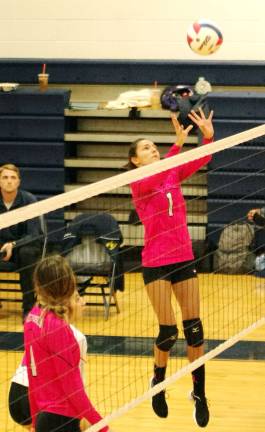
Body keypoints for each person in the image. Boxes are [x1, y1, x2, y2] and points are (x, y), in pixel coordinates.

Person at [126, 108, 214, 428]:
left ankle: (199, 394)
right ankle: (158, 384)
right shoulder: (137, 179)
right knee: (168, 330)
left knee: (195, 329)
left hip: (183, 257)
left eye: (154, 145)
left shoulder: (171, 171)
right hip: (155, 263)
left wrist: (206, 137)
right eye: (145, 148)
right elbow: (155, 177)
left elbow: (203, 158)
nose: (153, 149)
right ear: (135, 160)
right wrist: (177, 146)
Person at [23, 255, 109, 432]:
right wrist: (103, 426)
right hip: (61, 421)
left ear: (38, 286)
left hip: (44, 419)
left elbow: (32, 376)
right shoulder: (58, 328)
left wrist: (34, 420)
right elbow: (73, 390)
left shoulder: (32, 317)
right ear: (70, 285)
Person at [0, 163, 43, 319]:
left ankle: (29, 309)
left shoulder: (29, 200)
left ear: (19, 182)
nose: (9, 181)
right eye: (5, 177)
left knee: (27, 254)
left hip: (23, 246)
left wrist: (13, 245)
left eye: (13, 178)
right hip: (1, 248)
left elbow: (33, 234)